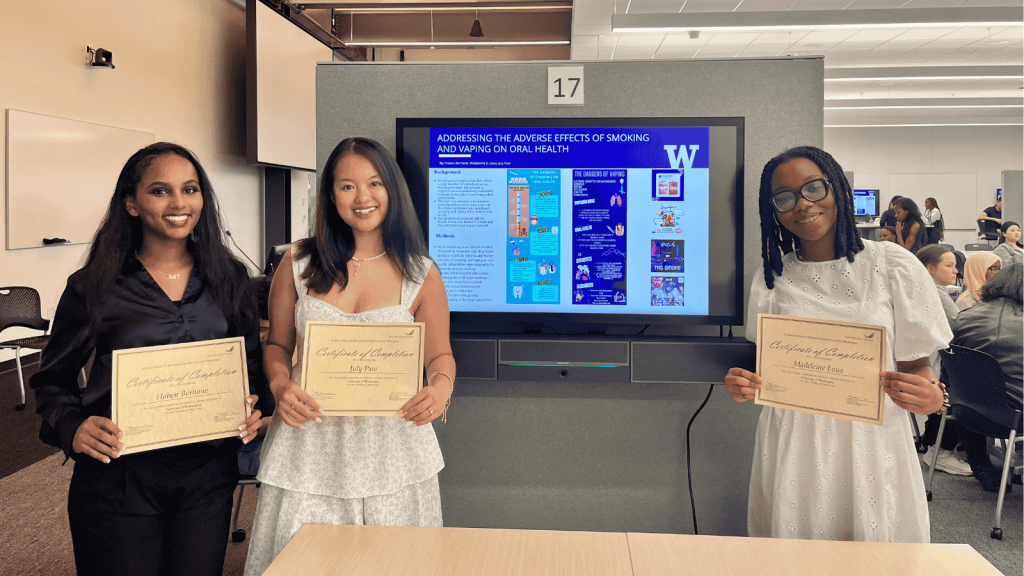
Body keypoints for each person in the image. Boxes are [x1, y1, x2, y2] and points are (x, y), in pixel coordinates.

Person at [30, 142, 265, 576]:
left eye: (190, 189)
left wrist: (253, 409)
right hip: (120, 478)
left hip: (207, 476)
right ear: (131, 204)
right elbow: (51, 380)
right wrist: (73, 426)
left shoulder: (229, 278)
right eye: (160, 191)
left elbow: (251, 371)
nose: (179, 203)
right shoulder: (94, 284)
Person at [244, 137, 456, 576]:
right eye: (347, 186)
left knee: (398, 565)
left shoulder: (421, 271)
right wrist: (280, 385)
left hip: (393, 449)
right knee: (298, 563)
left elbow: (441, 356)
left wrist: (440, 389)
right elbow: (278, 346)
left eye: (375, 183)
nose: (363, 198)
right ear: (330, 194)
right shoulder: (298, 263)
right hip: (309, 444)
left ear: (392, 190)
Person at [724, 146, 950, 543]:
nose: (803, 204)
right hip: (794, 445)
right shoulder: (772, 278)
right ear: (773, 210)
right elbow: (770, 371)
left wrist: (930, 397)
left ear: (837, 188)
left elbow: (918, 369)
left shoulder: (892, 265)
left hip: (874, 444)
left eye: (813, 188)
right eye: (785, 197)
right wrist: (745, 384)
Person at [950, 263, 1024, 491]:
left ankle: (982, 467)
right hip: (1017, 417)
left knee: (973, 387)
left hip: (965, 412)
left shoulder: (962, 317)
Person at [913, 245, 971, 476]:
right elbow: (961, 329)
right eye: (949, 265)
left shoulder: (918, 289)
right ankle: (942, 451)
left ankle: (936, 444)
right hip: (932, 368)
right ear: (929, 268)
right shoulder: (936, 293)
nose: (956, 271)